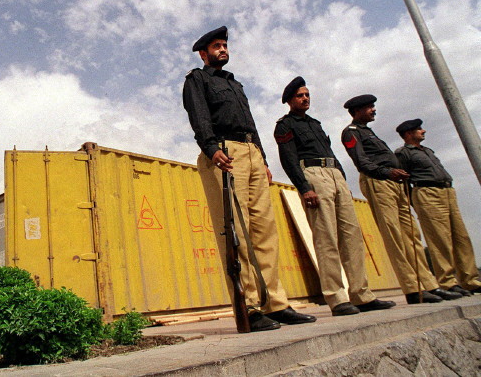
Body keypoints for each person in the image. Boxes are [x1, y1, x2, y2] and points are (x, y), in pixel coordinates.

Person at [183, 26, 315, 331]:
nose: (222, 49)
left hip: (252, 154)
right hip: (226, 153)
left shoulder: (236, 85)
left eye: (225, 45)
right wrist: (211, 147)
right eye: (216, 46)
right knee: (236, 232)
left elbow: (251, 124)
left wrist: (264, 160)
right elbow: (200, 116)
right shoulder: (197, 79)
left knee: (265, 231)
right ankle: (250, 307)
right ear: (204, 53)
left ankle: (276, 304)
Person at [274, 78, 394, 315]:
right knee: (326, 237)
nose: (305, 98)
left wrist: (343, 180)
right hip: (313, 175)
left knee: (352, 236)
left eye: (307, 94)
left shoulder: (316, 124)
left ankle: (361, 295)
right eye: (300, 96)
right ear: (289, 100)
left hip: (334, 175)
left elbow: (330, 152)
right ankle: (337, 298)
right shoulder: (285, 125)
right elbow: (288, 159)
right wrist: (304, 187)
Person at [341, 96, 460, 304]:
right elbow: (361, 162)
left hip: (396, 183)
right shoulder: (351, 132)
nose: (373, 110)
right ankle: (413, 289)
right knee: (394, 235)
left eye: (373, 106)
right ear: (357, 110)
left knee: (411, 235)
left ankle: (429, 285)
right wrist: (387, 172)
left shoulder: (370, 133)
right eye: (369, 107)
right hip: (379, 181)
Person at [395, 119, 481, 295]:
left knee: (461, 237)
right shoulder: (403, 153)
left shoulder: (427, 151)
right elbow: (403, 179)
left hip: (447, 191)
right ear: (408, 134)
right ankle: (448, 281)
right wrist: (412, 201)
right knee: (440, 238)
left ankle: (470, 280)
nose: (423, 131)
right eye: (419, 129)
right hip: (427, 192)